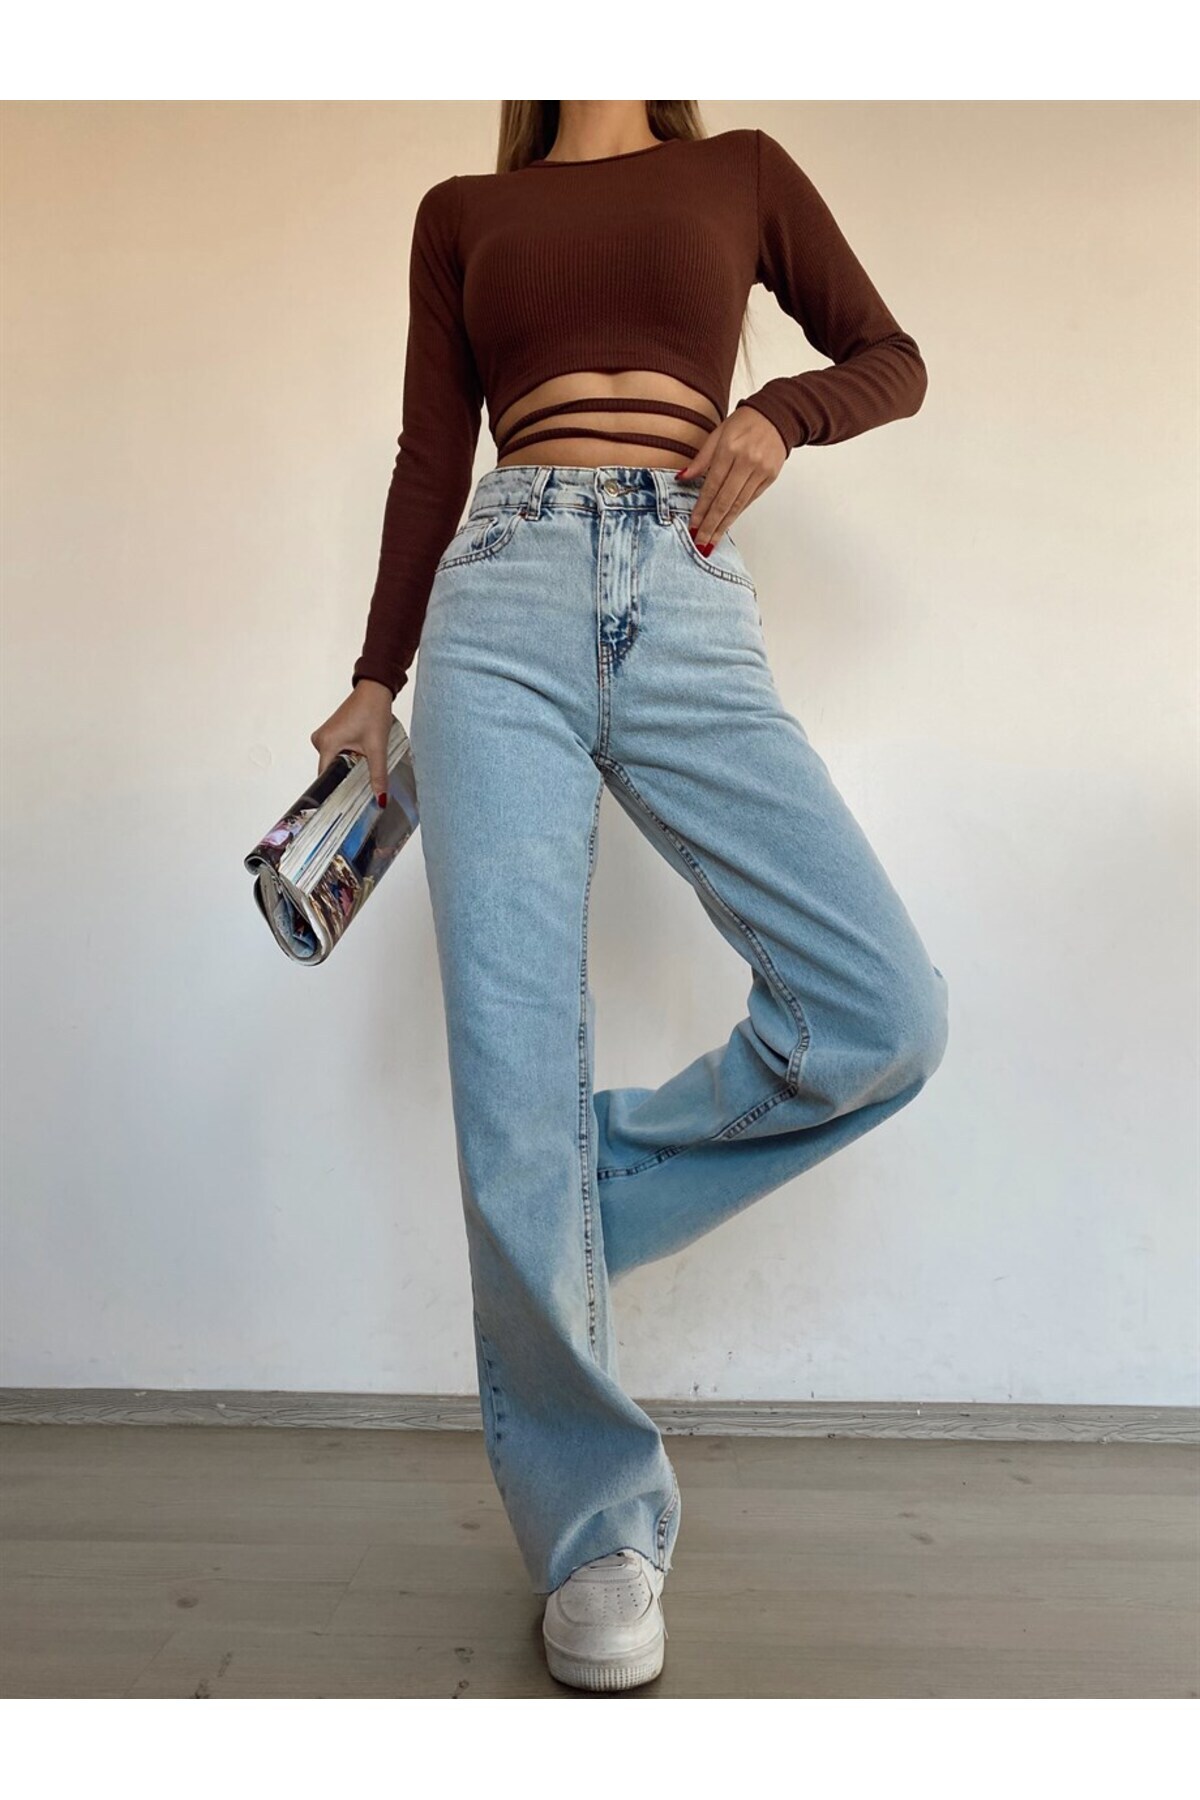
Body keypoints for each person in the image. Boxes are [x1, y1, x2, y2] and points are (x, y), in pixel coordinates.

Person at [311, 100, 949, 1694]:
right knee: (510, 1065)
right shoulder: (462, 210)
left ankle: (555, 1197)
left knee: (882, 1013)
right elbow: (429, 455)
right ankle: (599, 1535)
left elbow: (893, 357)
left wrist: (782, 413)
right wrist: (375, 678)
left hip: (685, 575)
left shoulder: (741, 170)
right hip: (499, 603)